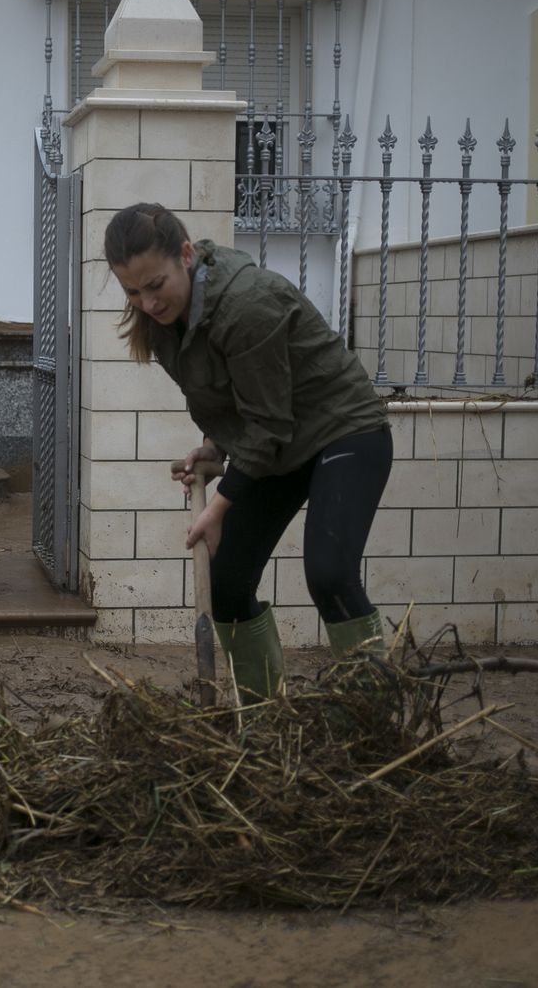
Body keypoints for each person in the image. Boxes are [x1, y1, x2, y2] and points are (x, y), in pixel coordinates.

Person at [103, 202, 391, 700]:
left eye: (155, 285)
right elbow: (235, 399)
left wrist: (219, 505)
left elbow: (269, 419)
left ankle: (373, 718)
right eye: (132, 291)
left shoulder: (246, 304)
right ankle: (263, 717)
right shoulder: (165, 319)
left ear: (187, 256)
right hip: (280, 443)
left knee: (328, 572)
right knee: (228, 581)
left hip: (343, 429)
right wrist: (215, 446)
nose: (147, 303)